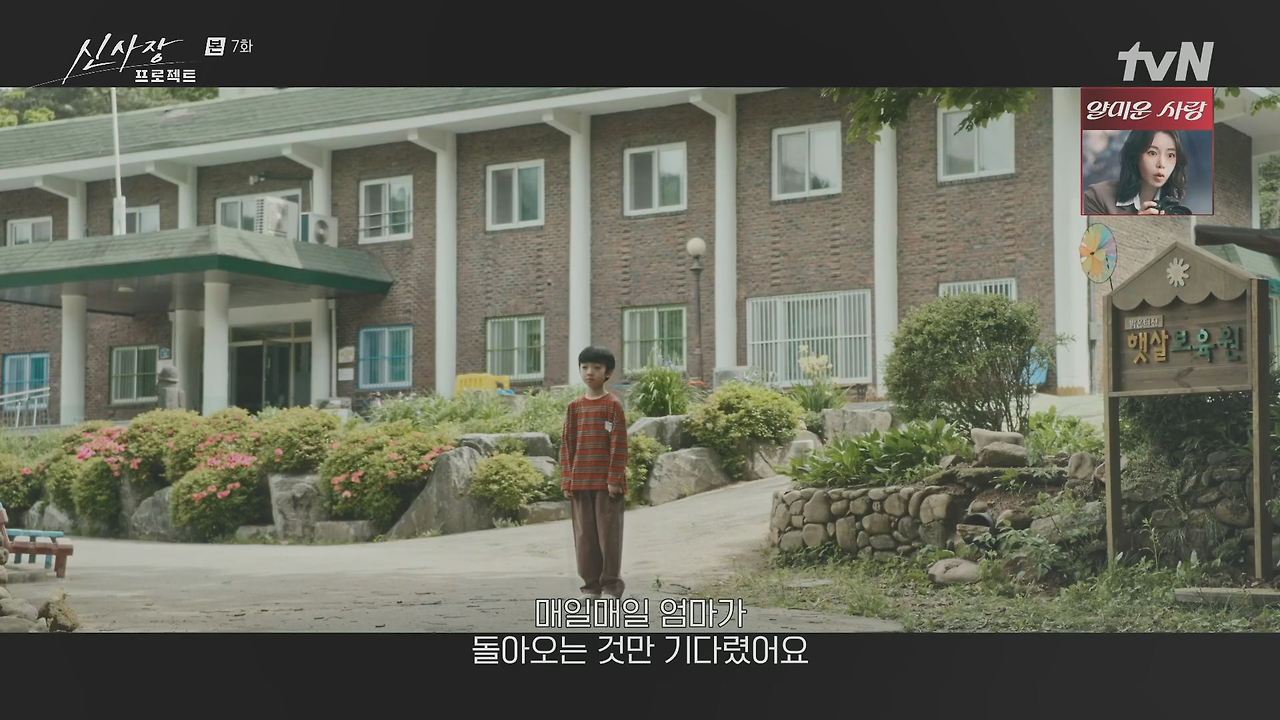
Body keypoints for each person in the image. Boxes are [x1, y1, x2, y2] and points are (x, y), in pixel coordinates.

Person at [559, 345, 629, 600]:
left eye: (596, 368)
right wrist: (567, 480)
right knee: (585, 538)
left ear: (607, 373)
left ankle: (611, 586)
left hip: (606, 486)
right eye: (585, 367)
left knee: (608, 538)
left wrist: (614, 479)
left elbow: (619, 444)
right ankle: (590, 587)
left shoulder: (613, 405)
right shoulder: (574, 407)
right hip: (580, 483)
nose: (590, 372)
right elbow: (567, 445)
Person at [1083, 129, 1189, 215]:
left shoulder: (1178, 206)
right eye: (1152, 153)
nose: (1161, 164)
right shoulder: (1097, 197)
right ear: (1135, 156)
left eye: (1170, 155)